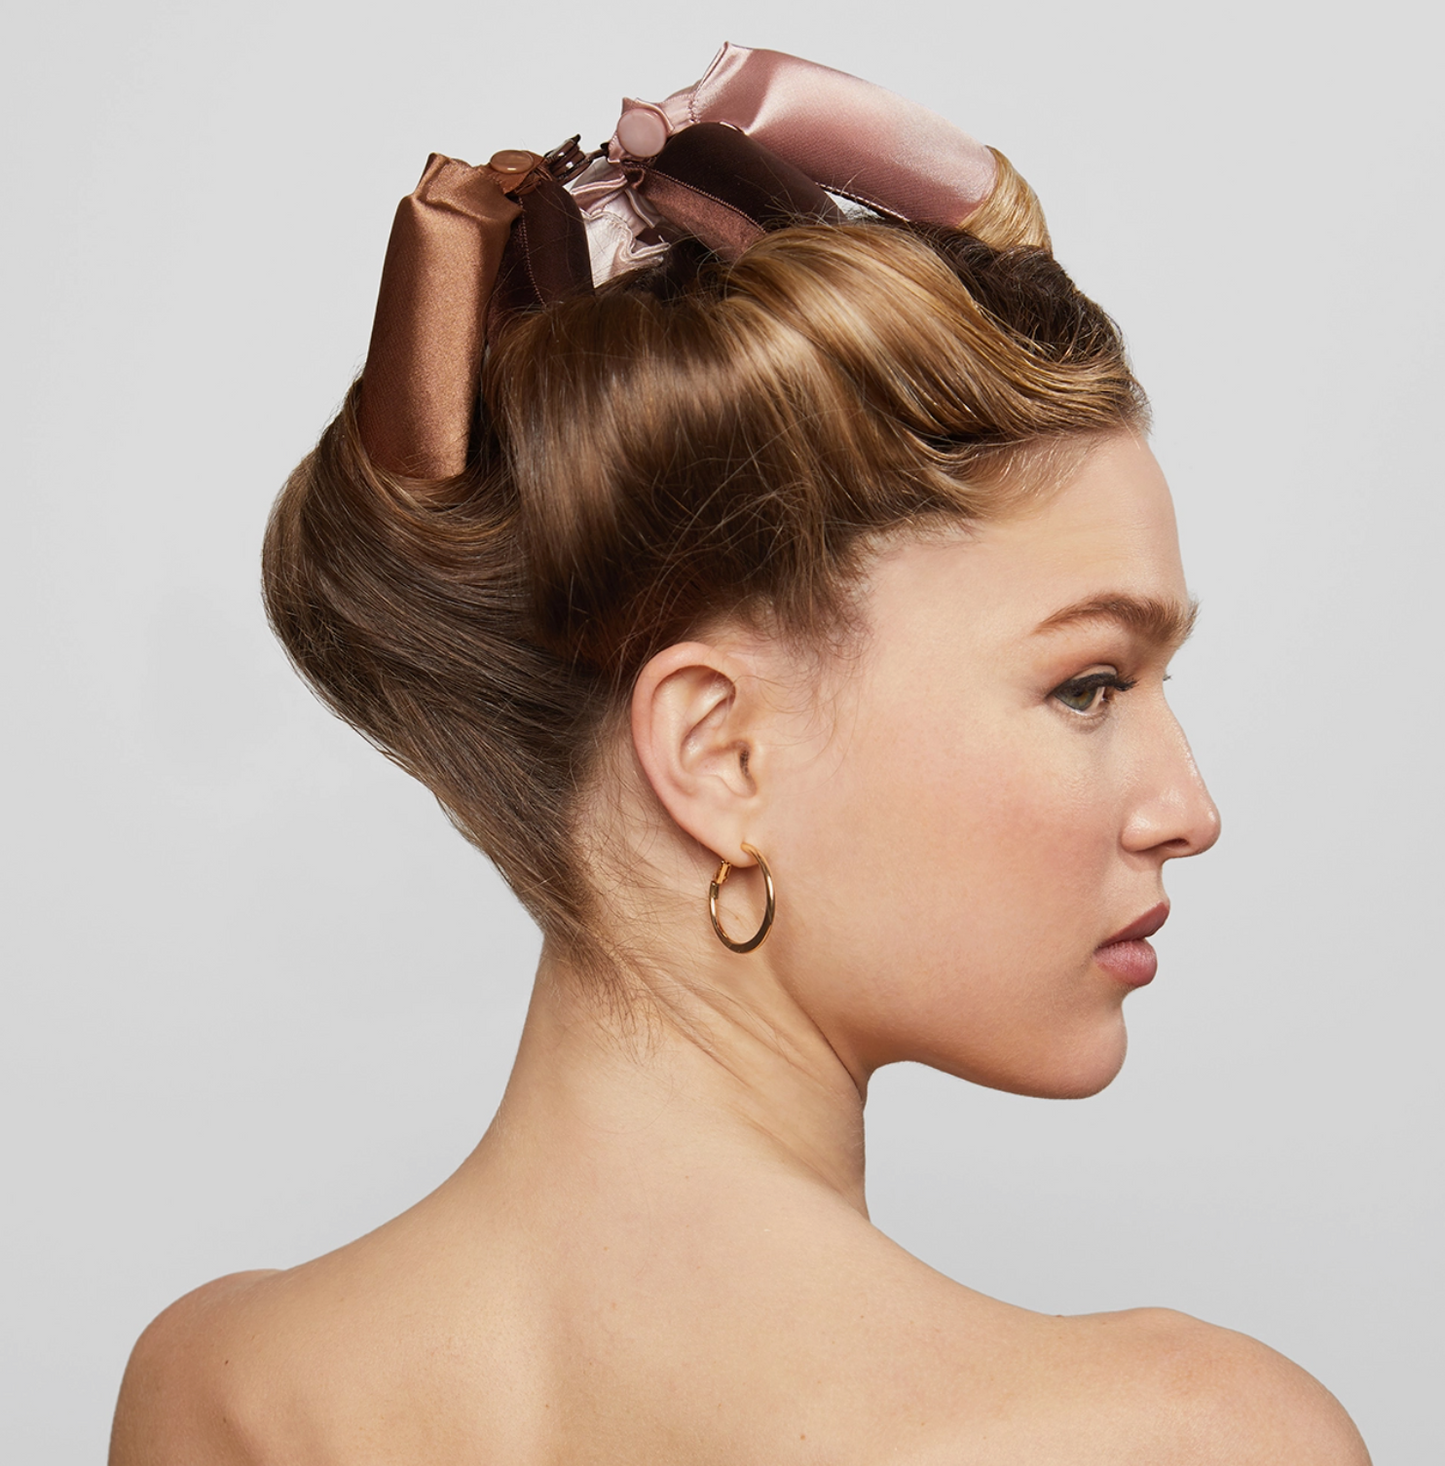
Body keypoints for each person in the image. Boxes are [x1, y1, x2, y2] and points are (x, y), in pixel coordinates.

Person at [109, 44, 1370, 1465]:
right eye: (1089, 682)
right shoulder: (1186, 1439)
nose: (1187, 809)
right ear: (718, 749)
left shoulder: (222, 1392)